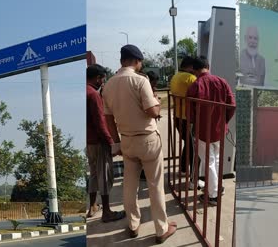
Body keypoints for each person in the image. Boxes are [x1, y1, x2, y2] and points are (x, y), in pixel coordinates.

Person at [102, 44, 176, 244]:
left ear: (121, 60)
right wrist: (158, 104)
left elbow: (108, 119)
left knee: (129, 185)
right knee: (155, 185)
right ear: (137, 61)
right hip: (147, 139)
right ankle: (161, 229)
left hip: (126, 140)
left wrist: (116, 143)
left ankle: (133, 225)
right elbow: (152, 111)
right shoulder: (140, 80)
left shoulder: (108, 85)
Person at [186, 56, 235, 206]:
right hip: (220, 130)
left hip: (203, 131)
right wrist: (224, 121)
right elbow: (231, 105)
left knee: (209, 161)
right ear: (208, 65)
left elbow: (190, 113)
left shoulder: (195, 85)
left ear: (194, 69)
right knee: (217, 159)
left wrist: (193, 124)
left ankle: (213, 195)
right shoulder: (222, 82)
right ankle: (217, 188)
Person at [86, 64, 126, 223]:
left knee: (94, 174)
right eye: (103, 78)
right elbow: (100, 123)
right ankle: (107, 212)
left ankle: (92, 206)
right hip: (99, 141)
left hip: (89, 143)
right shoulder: (93, 95)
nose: (103, 81)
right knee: (105, 176)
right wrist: (111, 143)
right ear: (97, 78)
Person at [170, 56, 203, 190]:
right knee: (195, 149)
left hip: (178, 117)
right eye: (194, 68)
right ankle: (193, 180)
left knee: (188, 144)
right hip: (189, 119)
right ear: (190, 67)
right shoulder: (191, 79)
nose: (195, 70)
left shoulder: (175, 77)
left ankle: (183, 169)